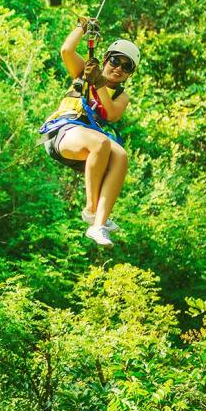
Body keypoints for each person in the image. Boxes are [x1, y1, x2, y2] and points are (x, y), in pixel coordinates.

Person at [38, 17, 139, 246]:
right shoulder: (84, 71)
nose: (119, 68)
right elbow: (66, 50)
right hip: (63, 131)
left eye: (126, 66)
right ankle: (91, 208)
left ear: (129, 74)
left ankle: (99, 225)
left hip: (88, 137)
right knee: (101, 143)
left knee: (121, 156)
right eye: (115, 61)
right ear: (105, 59)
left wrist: (100, 82)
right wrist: (81, 28)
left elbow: (111, 113)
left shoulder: (121, 96)